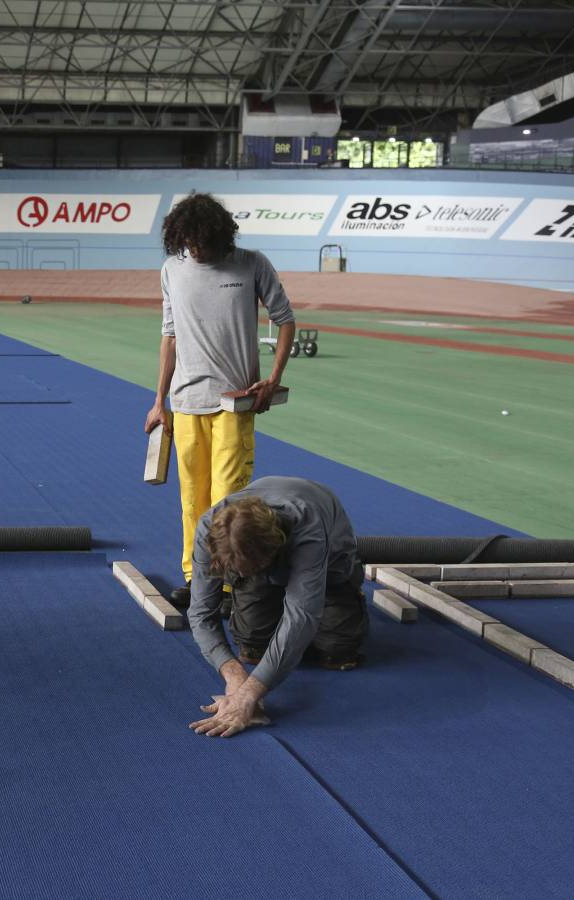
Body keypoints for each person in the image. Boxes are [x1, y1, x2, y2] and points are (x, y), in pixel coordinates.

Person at [145, 192, 296, 608]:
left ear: (220, 235)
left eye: (204, 242)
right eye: (189, 243)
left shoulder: (251, 263)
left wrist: (273, 379)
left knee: (228, 499)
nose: (197, 250)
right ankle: (197, 580)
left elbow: (285, 320)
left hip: (234, 404)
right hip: (186, 402)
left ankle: (230, 583)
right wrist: (159, 400)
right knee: (192, 498)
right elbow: (170, 335)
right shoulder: (172, 269)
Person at [185, 476, 368, 738]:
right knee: (251, 647)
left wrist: (249, 694)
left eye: (248, 569)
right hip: (262, 564)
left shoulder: (307, 528)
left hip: (331, 566)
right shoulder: (209, 529)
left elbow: (302, 616)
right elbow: (201, 612)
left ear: (272, 554)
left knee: (339, 649)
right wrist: (233, 673)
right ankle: (263, 592)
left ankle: (350, 592)